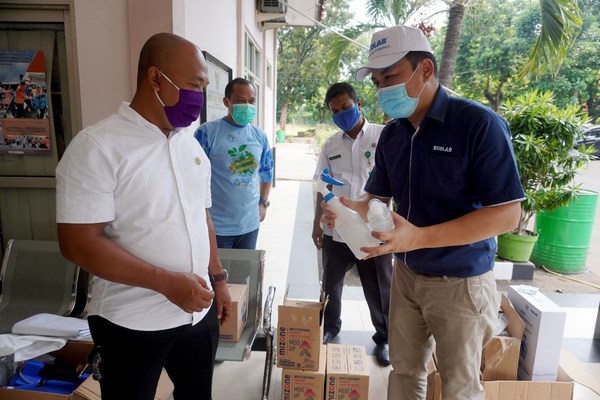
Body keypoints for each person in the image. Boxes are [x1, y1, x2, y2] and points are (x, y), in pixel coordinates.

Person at [321, 26, 524, 400]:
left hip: (461, 282)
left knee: (460, 386)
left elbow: (507, 215)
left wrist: (419, 237)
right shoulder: (394, 135)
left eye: (392, 77)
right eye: (379, 80)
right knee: (405, 371)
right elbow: (375, 199)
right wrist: (350, 210)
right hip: (408, 276)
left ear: (426, 70)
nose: (383, 89)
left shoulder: (478, 125)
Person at [56, 33, 231, 400]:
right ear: (155, 79)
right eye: (193, 85)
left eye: (203, 87)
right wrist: (167, 283)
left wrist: (218, 279)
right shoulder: (98, 147)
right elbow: (78, 243)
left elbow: (203, 219)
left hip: (195, 315)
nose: (199, 98)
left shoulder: (190, 144)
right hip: (131, 322)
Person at [312, 82, 393, 367]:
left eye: (346, 107)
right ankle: (330, 328)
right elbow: (321, 186)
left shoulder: (384, 137)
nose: (342, 113)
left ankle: (384, 339)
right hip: (337, 230)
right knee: (330, 285)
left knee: (380, 288)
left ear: (359, 104)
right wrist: (316, 224)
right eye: (336, 111)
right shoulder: (331, 145)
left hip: (374, 231)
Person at [194, 77, 274, 250]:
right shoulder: (207, 132)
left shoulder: (260, 136)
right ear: (226, 102)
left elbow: (267, 171)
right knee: (217, 275)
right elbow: (194, 176)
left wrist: (263, 203)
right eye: (240, 101)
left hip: (249, 225)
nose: (247, 106)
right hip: (216, 226)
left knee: (243, 275)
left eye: (251, 101)